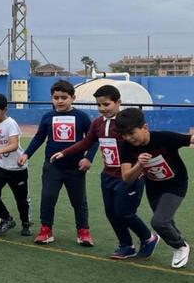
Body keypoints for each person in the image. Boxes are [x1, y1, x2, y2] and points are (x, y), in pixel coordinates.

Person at [52, 85, 157, 260]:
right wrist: (65, 152)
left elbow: (142, 142)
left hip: (129, 175)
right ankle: (126, 245)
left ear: (118, 102)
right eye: (99, 105)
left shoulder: (127, 124)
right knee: (111, 212)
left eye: (106, 104)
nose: (102, 109)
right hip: (108, 175)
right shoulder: (98, 123)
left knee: (124, 212)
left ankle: (149, 238)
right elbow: (87, 142)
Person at [20, 80, 97, 246]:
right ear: (51, 98)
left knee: (79, 201)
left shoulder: (81, 117)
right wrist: (26, 154)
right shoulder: (48, 117)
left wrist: (88, 158)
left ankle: (83, 231)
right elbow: (39, 137)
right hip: (52, 167)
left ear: (73, 98)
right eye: (56, 97)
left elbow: (93, 139)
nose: (60, 101)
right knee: (48, 198)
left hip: (75, 168)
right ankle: (46, 230)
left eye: (64, 97)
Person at [117, 108, 193, 269]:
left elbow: (190, 139)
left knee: (159, 222)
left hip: (176, 184)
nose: (128, 138)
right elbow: (126, 177)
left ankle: (180, 246)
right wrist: (139, 165)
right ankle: (179, 243)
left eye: (131, 133)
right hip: (153, 187)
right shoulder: (126, 147)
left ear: (145, 127)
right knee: (167, 222)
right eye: (124, 135)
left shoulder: (164, 138)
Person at [0, 94, 32, 236]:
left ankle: (26, 223)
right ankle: (6, 218)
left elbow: (14, 145)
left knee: (20, 198)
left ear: (5, 110)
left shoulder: (11, 123)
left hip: (17, 168)